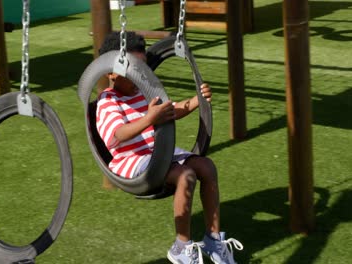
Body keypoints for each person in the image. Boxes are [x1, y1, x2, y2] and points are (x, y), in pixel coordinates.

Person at [96, 31, 243, 264]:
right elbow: (117, 134)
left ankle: (213, 239)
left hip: (158, 153)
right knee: (186, 175)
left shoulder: (143, 94)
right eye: (135, 69)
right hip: (131, 160)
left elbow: (171, 110)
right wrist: (149, 119)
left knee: (206, 166)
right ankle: (181, 248)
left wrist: (196, 101)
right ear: (112, 72)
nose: (142, 75)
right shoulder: (108, 100)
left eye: (144, 69)